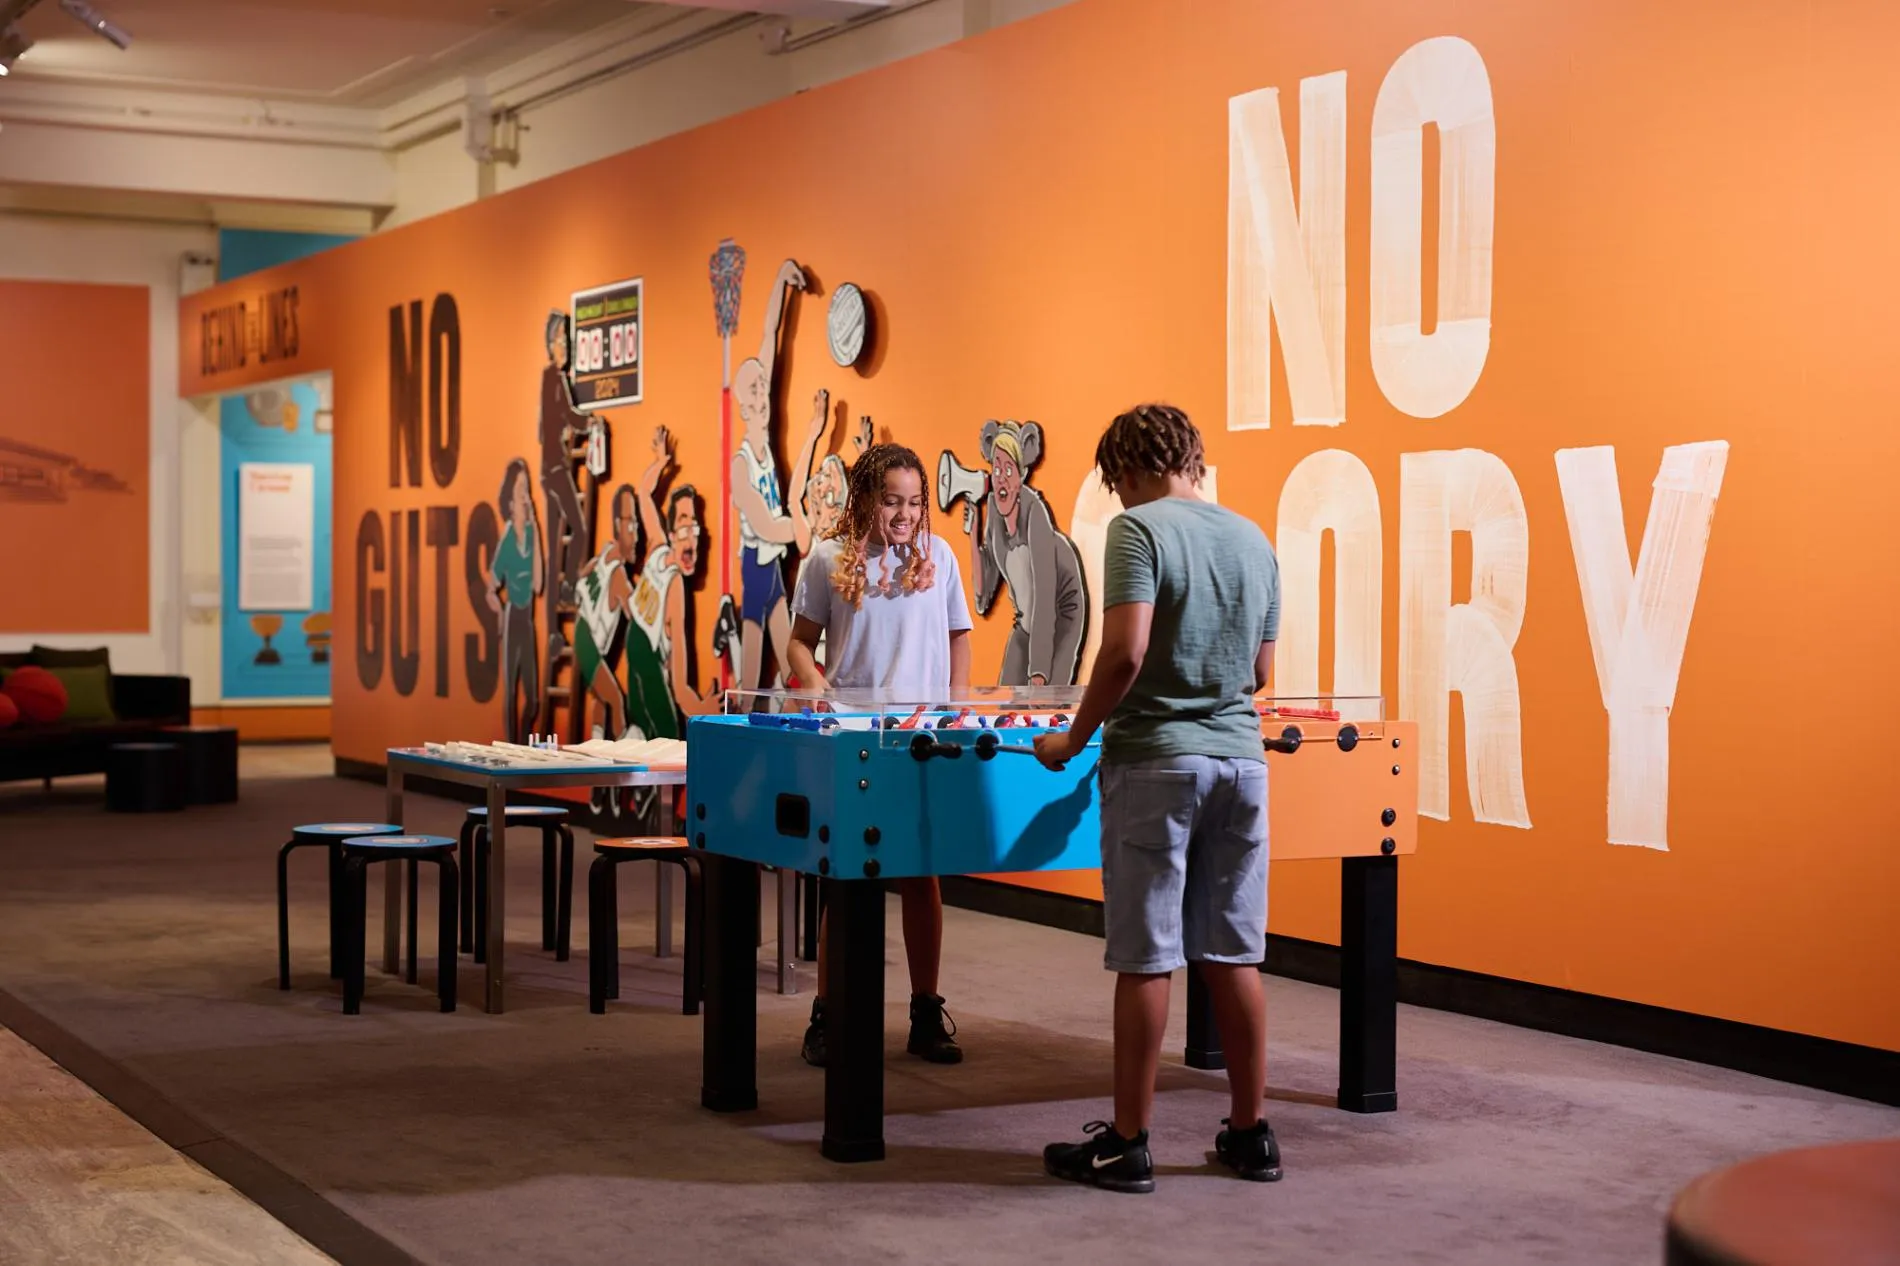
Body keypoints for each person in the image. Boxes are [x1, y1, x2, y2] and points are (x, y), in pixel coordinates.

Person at [1033, 403, 1283, 1194]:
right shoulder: (1253, 538)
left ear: (1127, 471)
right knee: (1234, 953)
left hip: (1157, 764)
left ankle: (1128, 1144)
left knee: (1147, 957)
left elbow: (1124, 651)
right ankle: (1250, 1135)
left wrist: (1072, 740)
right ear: (1193, 458)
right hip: (1241, 766)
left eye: (1116, 484)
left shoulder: (1137, 531)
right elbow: (1260, 669)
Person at [786, 443, 973, 1068]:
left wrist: (957, 709)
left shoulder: (940, 558)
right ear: (865, 497)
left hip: (924, 738)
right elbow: (799, 644)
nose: (904, 514)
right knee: (846, 882)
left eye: (916, 502)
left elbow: (958, 638)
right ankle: (828, 1015)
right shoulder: (826, 559)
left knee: (923, 877)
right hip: (853, 738)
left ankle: (926, 1011)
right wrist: (812, 686)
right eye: (892, 500)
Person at [729, 260, 826, 695]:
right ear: (744, 407)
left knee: (789, 659)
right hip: (756, 564)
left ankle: (786, 728)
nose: (762, 394)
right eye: (753, 391)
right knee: (751, 675)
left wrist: (779, 282)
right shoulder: (742, 462)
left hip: (772, 568)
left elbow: (769, 340)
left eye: (761, 387)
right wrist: (805, 527)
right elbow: (767, 526)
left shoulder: (765, 440)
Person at [963, 419, 1086, 687]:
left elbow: (1044, 593)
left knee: (1046, 699)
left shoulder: (1036, 514)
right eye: (997, 468)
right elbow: (983, 594)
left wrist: (1039, 671)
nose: (1002, 477)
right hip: (1025, 617)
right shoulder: (994, 509)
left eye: (1009, 469)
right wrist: (973, 534)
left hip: (1060, 611)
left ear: (1021, 476)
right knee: (1007, 696)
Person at [625, 426, 717, 740]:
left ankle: (634, 737)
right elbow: (643, 494)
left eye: (695, 526)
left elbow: (679, 679)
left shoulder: (666, 563)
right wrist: (661, 461)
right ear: (670, 529)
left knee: (644, 735)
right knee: (666, 739)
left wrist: (703, 708)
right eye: (683, 523)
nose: (691, 532)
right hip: (642, 655)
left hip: (638, 649)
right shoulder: (659, 551)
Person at [486, 459, 543, 742]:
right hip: (512, 617)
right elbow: (490, 587)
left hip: (528, 618)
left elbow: (539, 582)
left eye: (527, 490)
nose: (525, 497)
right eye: (521, 491)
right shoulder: (507, 540)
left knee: (533, 698)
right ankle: (512, 748)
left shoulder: (531, 535)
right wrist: (498, 612)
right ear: (510, 501)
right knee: (510, 692)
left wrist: (537, 533)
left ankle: (522, 743)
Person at [538, 311, 591, 602]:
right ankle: (568, 586)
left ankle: (565, 588)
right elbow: (567, 415)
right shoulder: (552, 379)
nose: (565, 345)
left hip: (554, 468)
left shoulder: (556, 379)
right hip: (555, 469)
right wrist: (589, 422)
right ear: (549, 345)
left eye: (566, 339)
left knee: (564, 535)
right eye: (559, 339)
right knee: (579, 529)